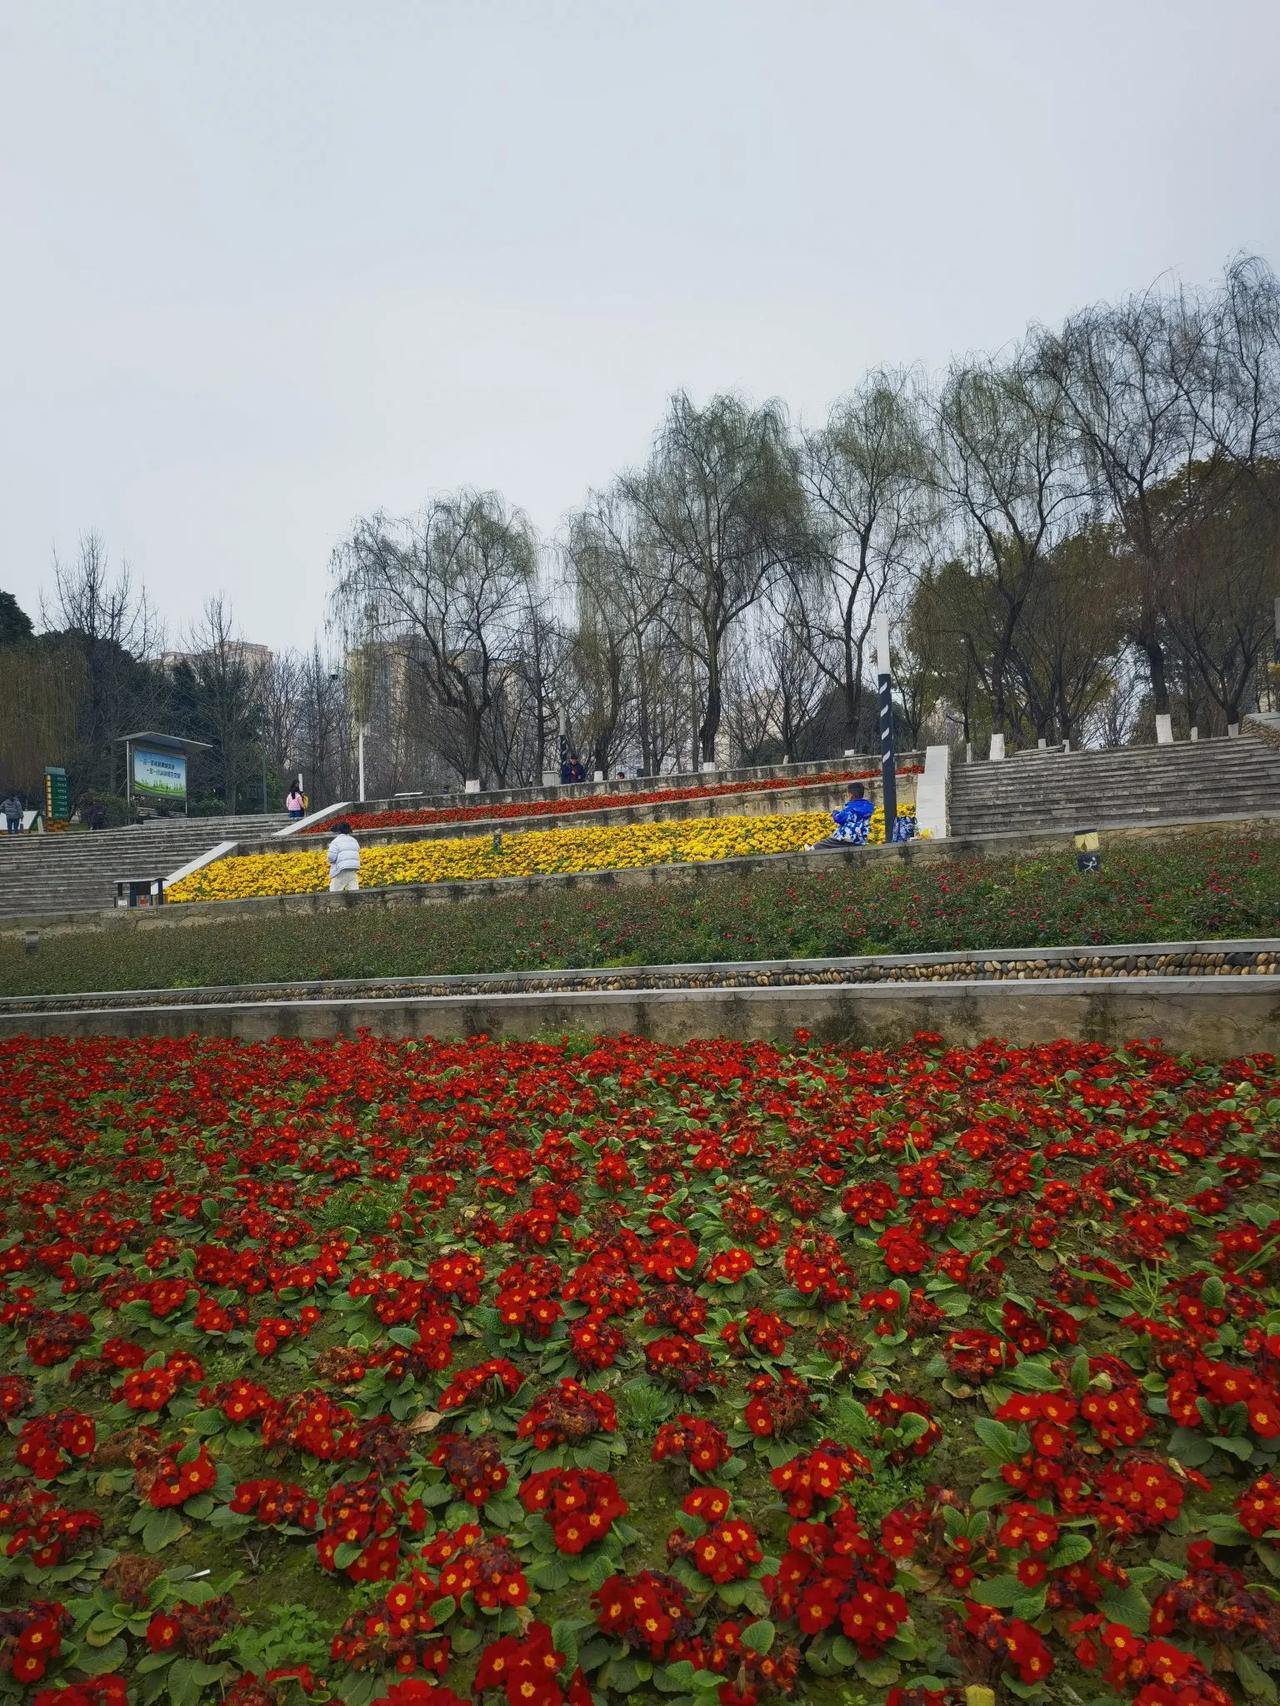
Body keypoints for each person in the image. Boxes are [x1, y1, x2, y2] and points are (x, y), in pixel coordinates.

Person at [805, 782, 875, 851]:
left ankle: (812, 849)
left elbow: (839, 818)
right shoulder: (868, 807)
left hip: (847, 837)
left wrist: (835, 812)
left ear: (851, 795)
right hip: (860, 839)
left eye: (848, 794)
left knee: (827, 842)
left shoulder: (850, 807)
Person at [326, 821, 361, 892]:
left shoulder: (336, 841)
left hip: (341, 870)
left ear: (338, 831)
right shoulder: (354, 840)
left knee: (334, 892)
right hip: (353, 869)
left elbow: (331, 857)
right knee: (354, 892)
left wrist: (331, 862)